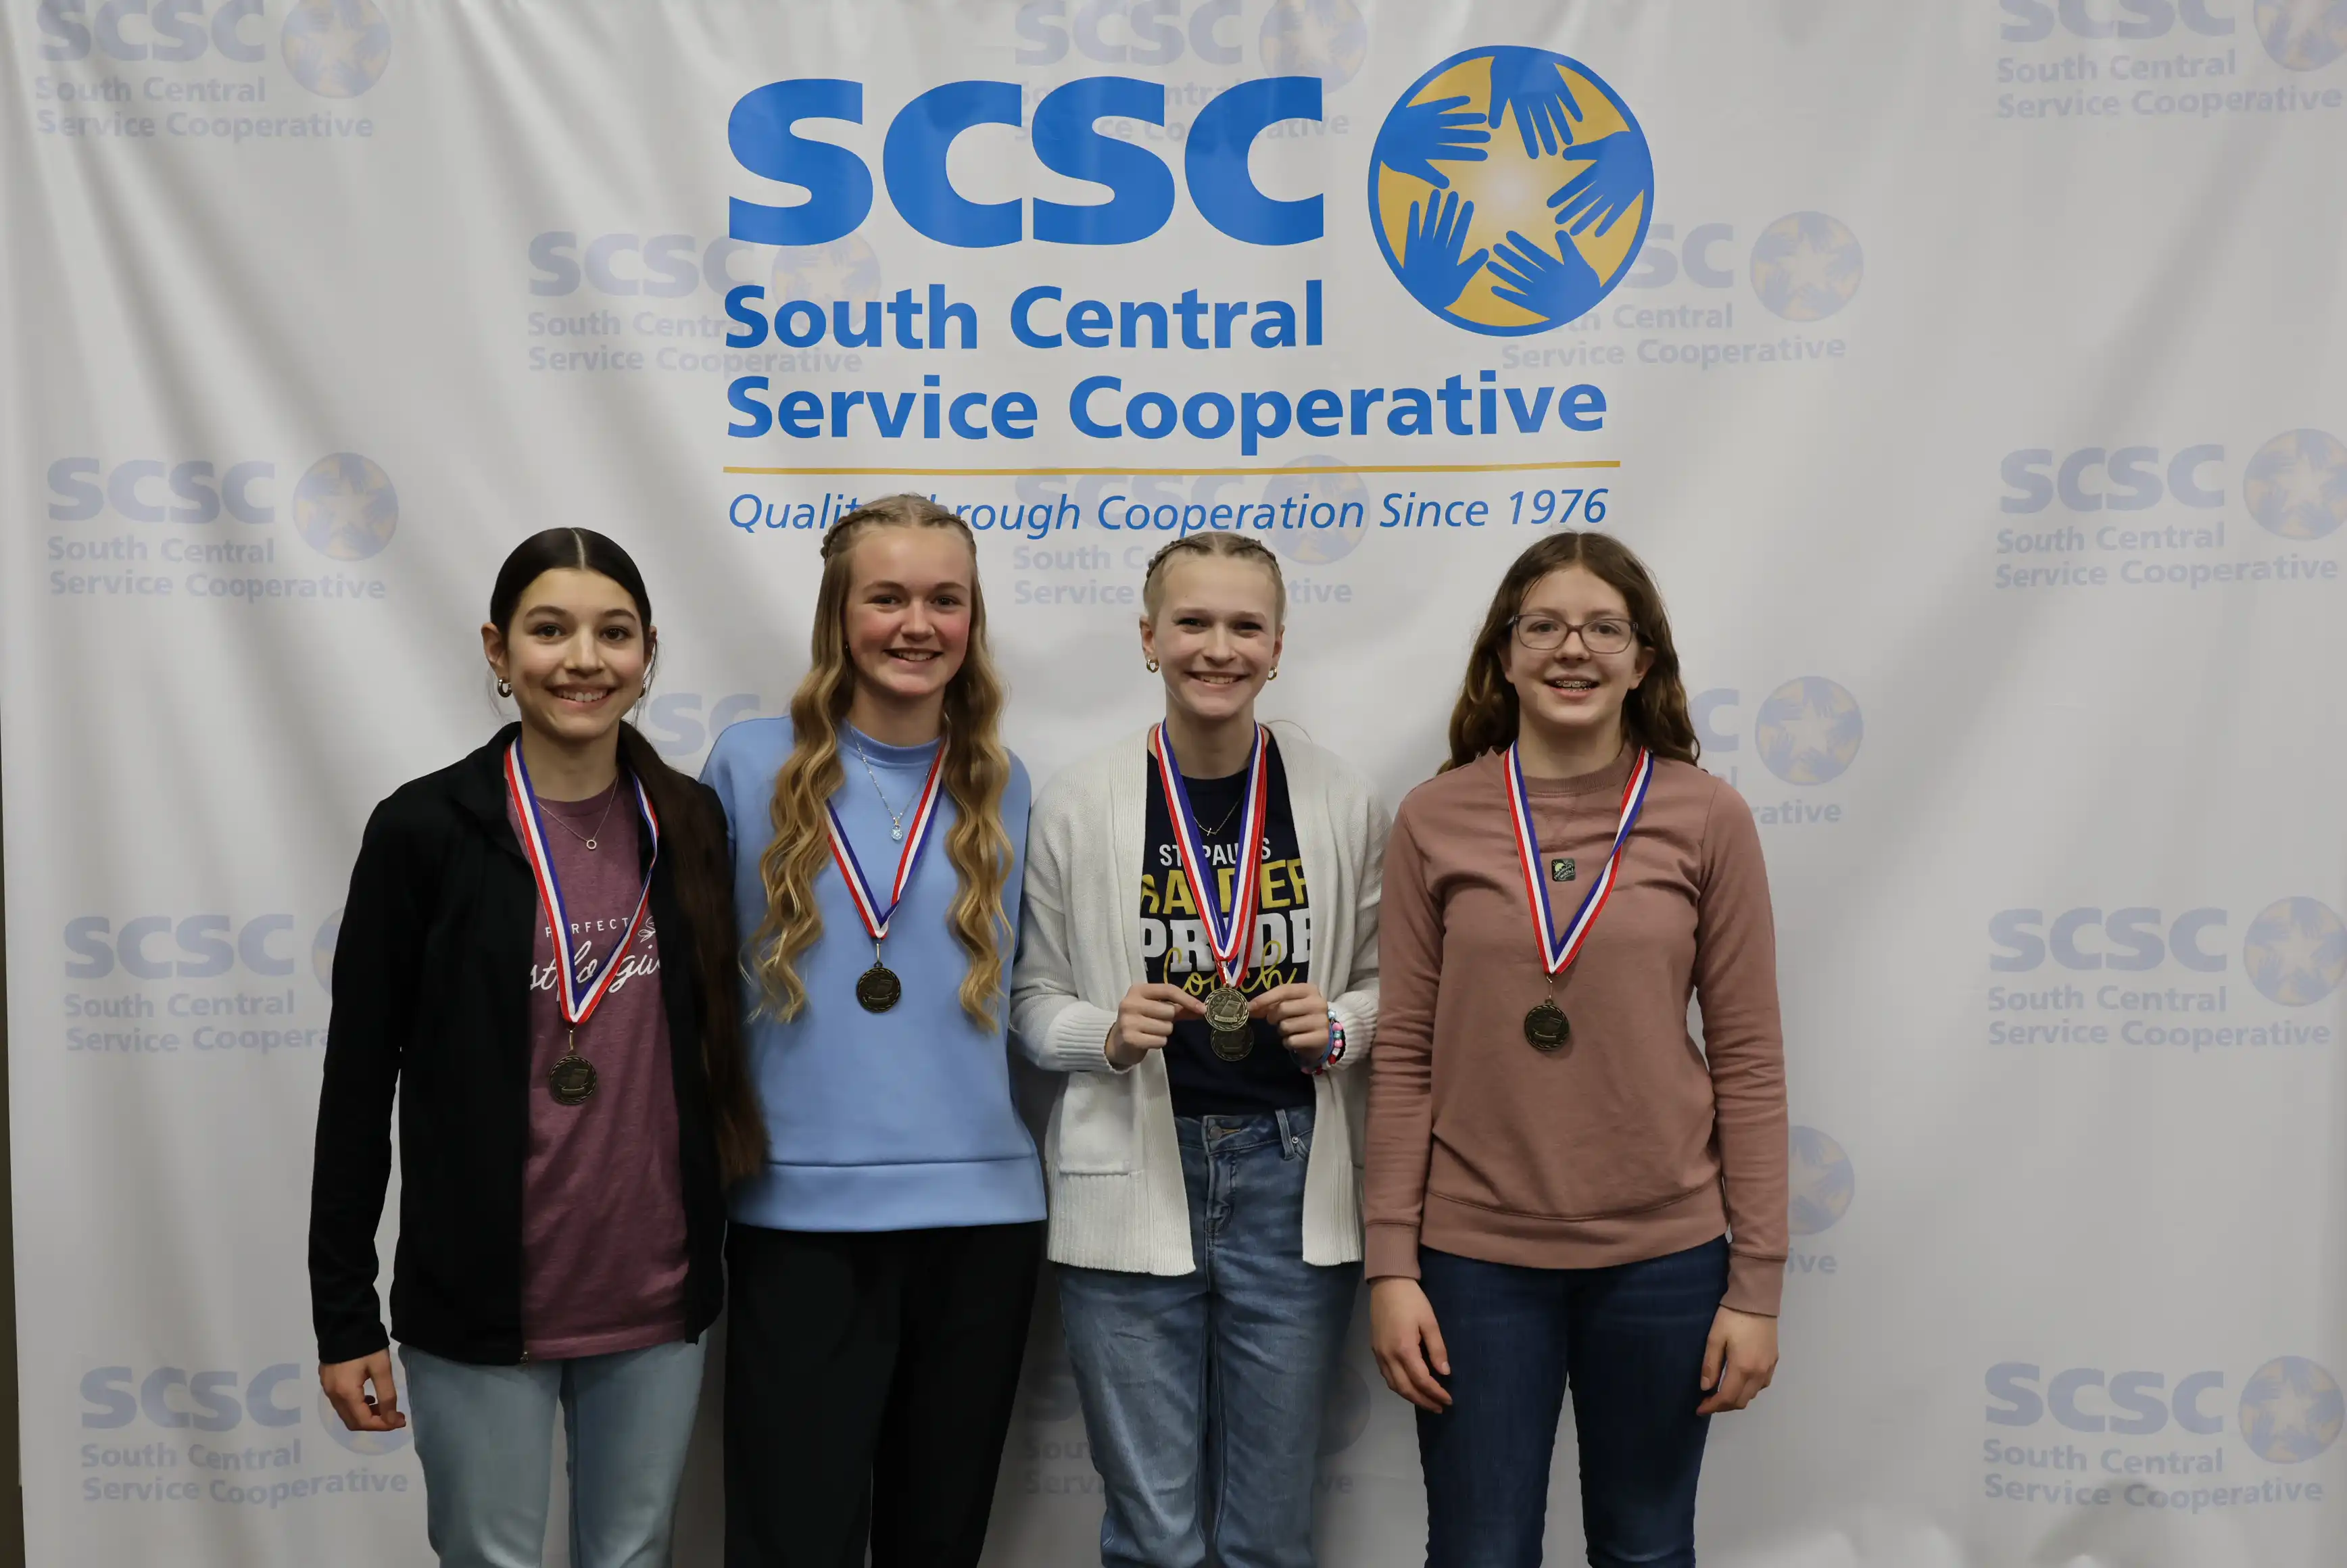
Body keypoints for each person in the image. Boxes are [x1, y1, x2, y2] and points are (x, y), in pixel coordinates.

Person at [309, 527, 765, 1568]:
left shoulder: (688, 820)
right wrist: (344, 1314)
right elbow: (354, 1083)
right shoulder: (426, 829)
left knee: (634, 1555)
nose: (583, 660)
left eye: (613, 634)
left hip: (655, 1292)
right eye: (549, 631)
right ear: (497, 648)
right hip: (479, 1297)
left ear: (649, 652)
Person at [1363, 531, 1787, 1568]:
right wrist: (1391, 1268)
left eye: (1606, 628)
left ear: (1643, 661)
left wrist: (1757, 1287)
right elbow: (1406, 1053)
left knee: (1645, 1549)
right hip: (1472, 1262)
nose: (1573, 649)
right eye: (1543, 626)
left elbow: (1750, 1061)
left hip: (1664, 1260)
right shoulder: (1435, 818)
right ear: (1502, 655)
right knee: (1479, 1552)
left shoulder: (1707, 817)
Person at [1012, 532, 1388, 1568]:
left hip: (1290, 1173)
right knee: (1154, 1539)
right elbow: (1032, 1001)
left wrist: (1345, 1026)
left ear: (1277, 648)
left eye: (1244, 626)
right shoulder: (1080, 801)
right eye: (1191, 623)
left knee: (1268, 1537)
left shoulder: (1339, 797)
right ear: (1147, 638)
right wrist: (1105, 1033)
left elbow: (1392, 984)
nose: (1216, 647)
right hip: (1133, 1172)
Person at [702, 495, 1044, 1568]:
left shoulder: (1005, 781)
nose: (917, 624)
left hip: (982, 1221)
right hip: (798, 1218)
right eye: (886, 597)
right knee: (790, 1542)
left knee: (935, 1544)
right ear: (837, 614)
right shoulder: (748, 765)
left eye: (946, 600)